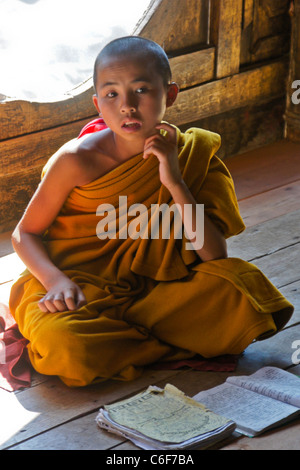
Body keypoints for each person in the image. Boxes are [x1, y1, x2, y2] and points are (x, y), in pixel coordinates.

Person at [9, 36, 293, 387]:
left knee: (243, 291)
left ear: (169, 94)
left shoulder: (192, 155)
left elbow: (214, 255)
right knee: (66, 346)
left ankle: (127, 343)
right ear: (98, 103)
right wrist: (55, 281)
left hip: (156, 290)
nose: (127, 106)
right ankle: (169, 344)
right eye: (112, 94)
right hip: (81, 287)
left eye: (141, 89)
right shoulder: (77, 160)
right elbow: (24, 233)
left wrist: (174, 182)